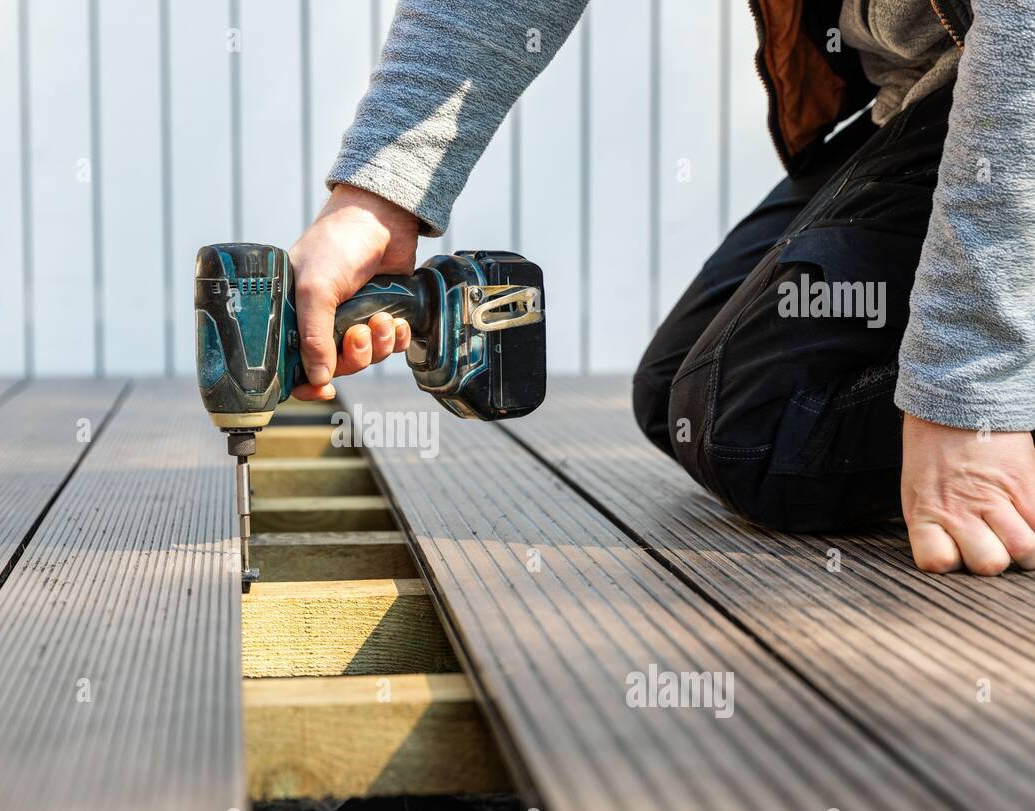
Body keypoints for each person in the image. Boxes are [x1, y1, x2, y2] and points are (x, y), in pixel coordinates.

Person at [286, 0, 1035, 576]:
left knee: (763, 431)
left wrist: (970, 392)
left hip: (1012, 87)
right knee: (678, 394)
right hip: (936, 95)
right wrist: (376, 201)